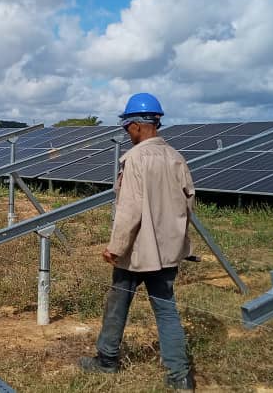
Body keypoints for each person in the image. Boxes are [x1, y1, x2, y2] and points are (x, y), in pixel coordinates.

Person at [79, 93, 196, 390]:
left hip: (136, 252)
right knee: (166, 309)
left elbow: (129, 210)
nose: (126, 133)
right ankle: (180, 376)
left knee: (117, 305)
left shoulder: (135, 159)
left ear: (137, 126)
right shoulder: (176, 158)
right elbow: (188, 204)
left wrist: (116, 247)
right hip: (167, 252)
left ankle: (107, 360)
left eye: (126, 127)